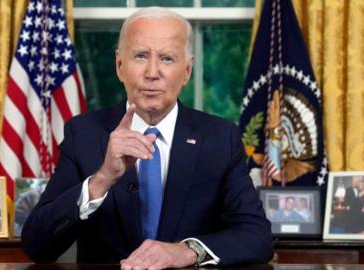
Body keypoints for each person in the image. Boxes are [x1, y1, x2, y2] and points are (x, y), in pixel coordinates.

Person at [21, 7, 273, 268]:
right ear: (120, 66)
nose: (152, 72)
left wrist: (187, 251)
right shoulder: (83, 134)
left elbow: (257, 237)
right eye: (141, 56)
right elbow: (37, 245)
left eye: (167, 59)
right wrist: (102, 179)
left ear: (187, 70)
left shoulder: (221, 138)